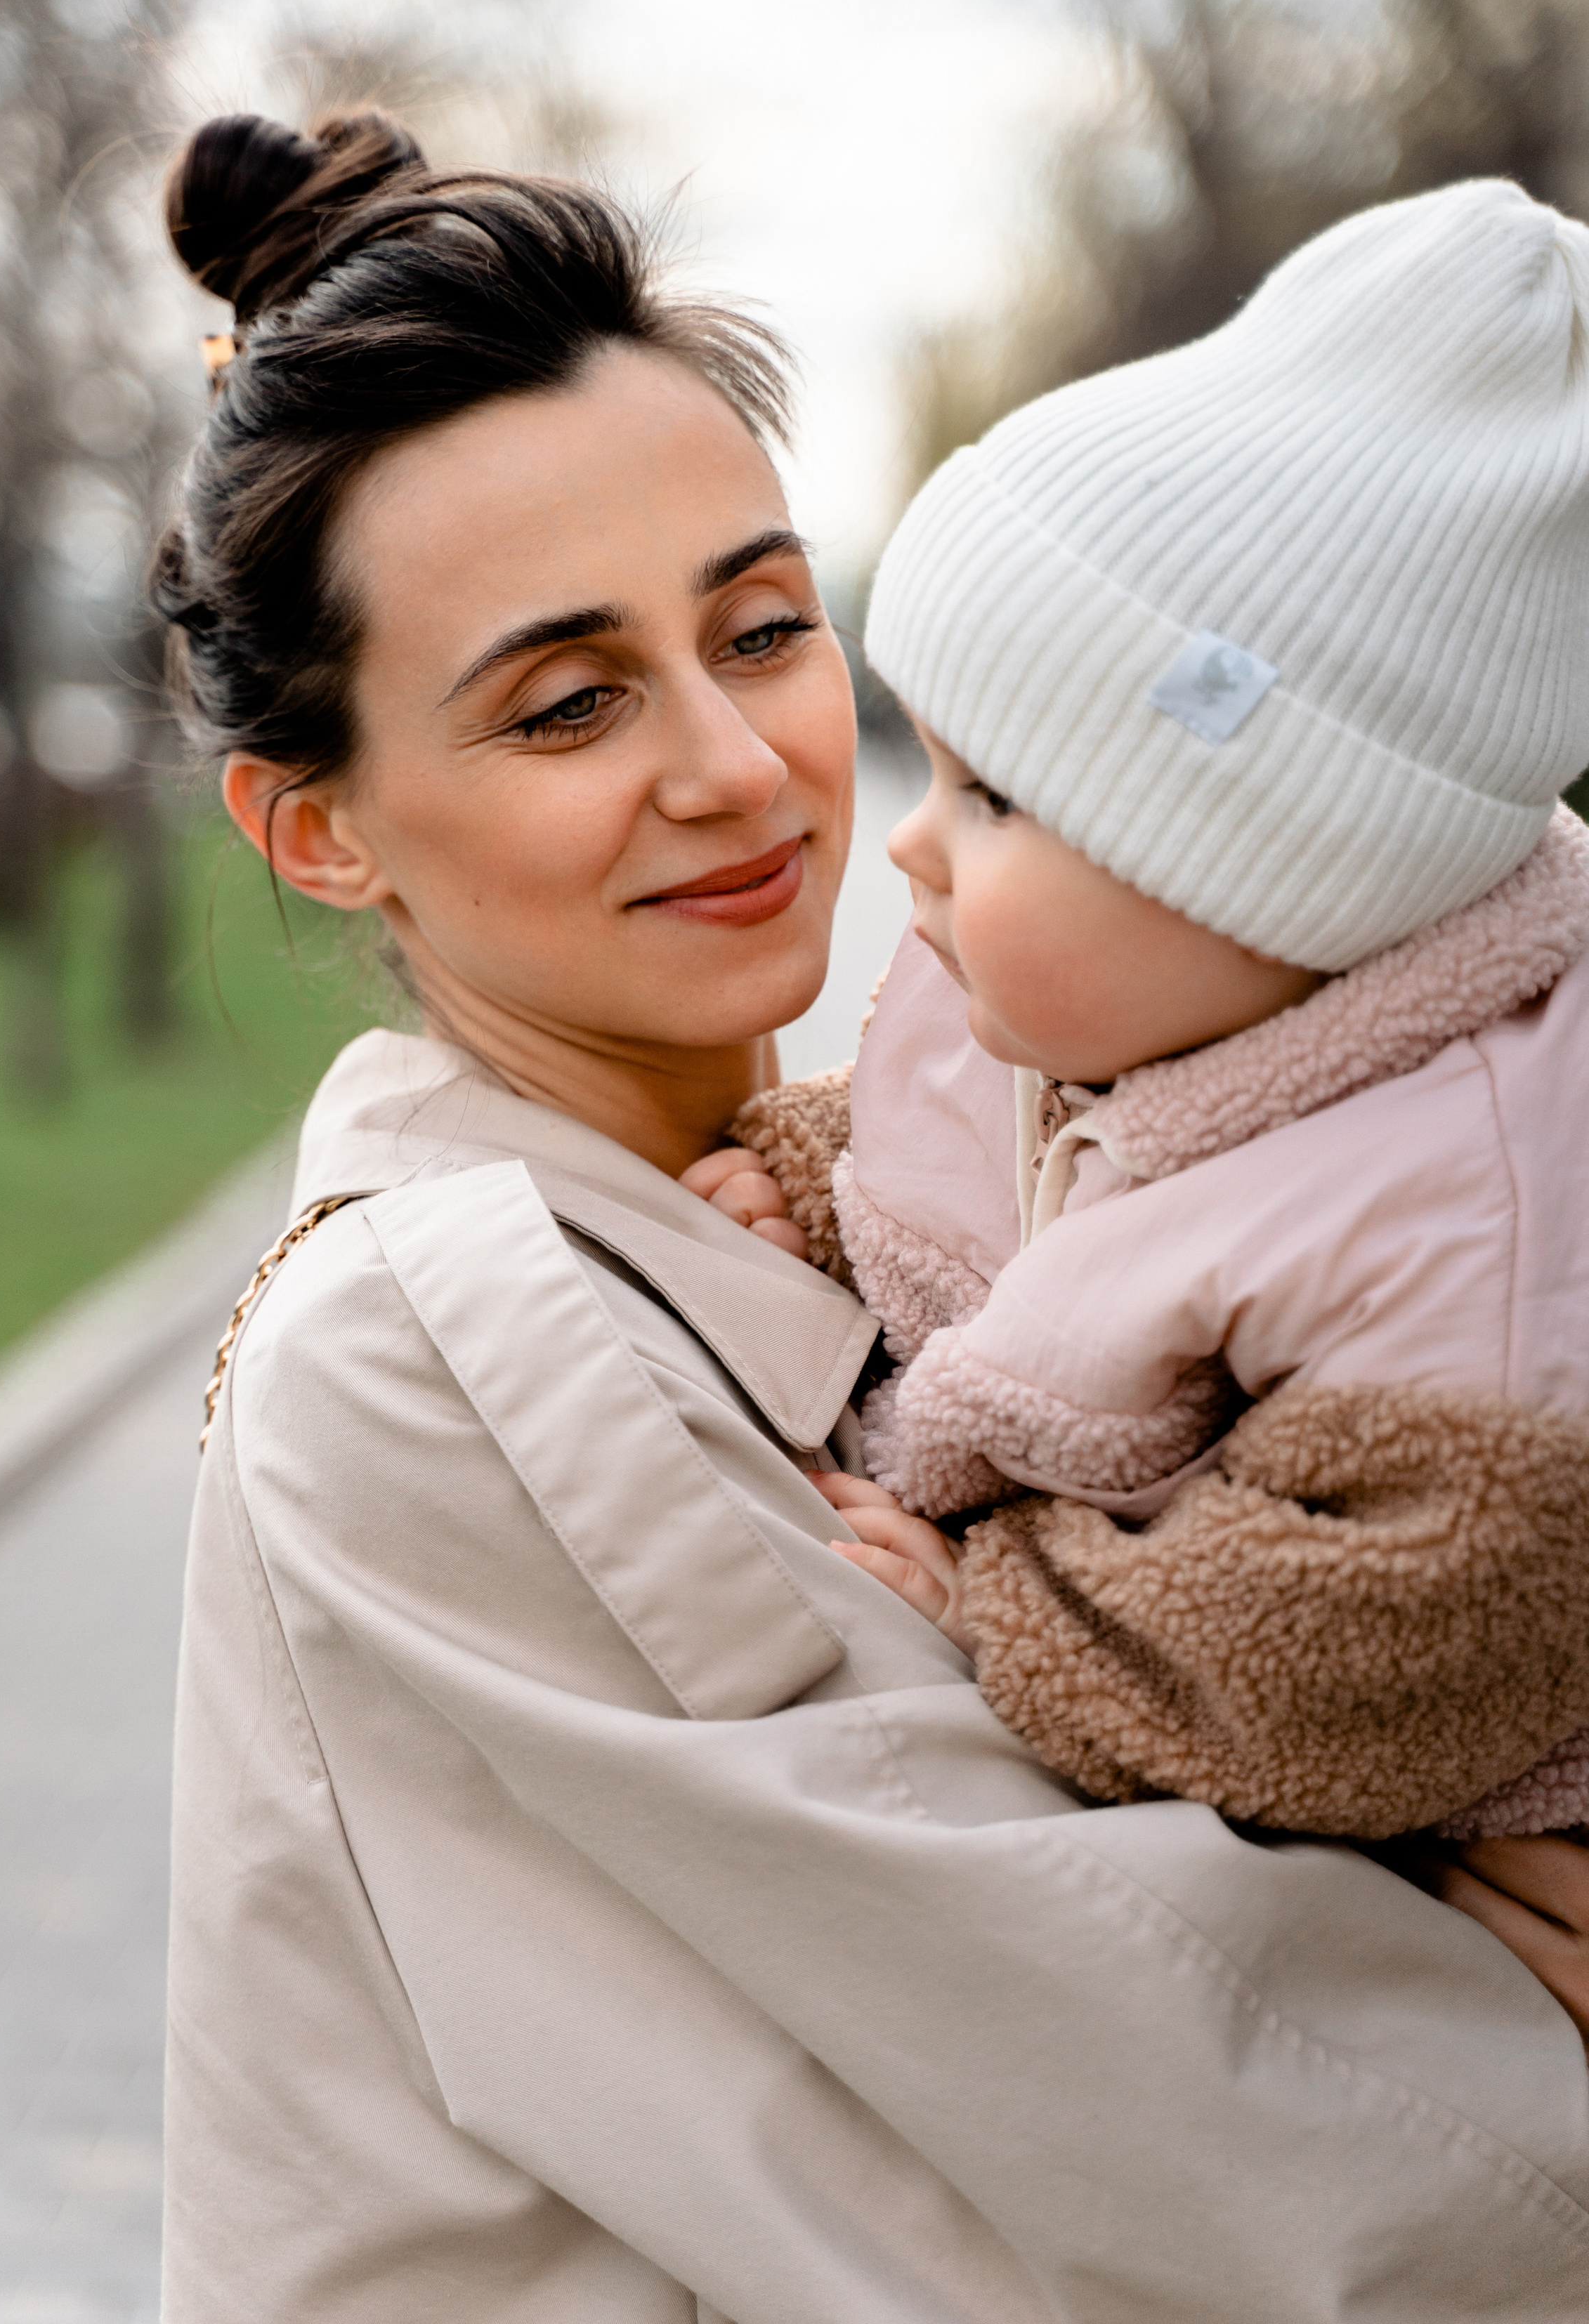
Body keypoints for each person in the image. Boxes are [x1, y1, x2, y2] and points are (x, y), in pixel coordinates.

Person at [152, 113, 1589, 2323]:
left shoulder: (903, 1198)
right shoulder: (447, 1336)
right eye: (568, 702)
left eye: (761, 626)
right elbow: (1248, 2126)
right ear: (321, 831)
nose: (738, 763)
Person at [710, 180, 1589, 1851]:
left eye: (992, 801)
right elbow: (983, 1135)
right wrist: (818, 1179)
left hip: (1412, 1872)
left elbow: (1366, 1634)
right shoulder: (1163, 1004)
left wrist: (1002, 1615)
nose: (911, 835)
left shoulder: (1476, 1225)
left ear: (1274, 871)